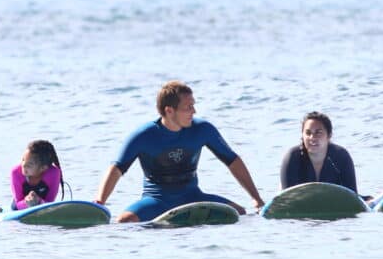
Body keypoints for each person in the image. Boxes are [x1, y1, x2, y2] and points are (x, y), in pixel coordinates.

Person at [94, 80, 265, 223]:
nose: (194, 111)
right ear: (169, 111)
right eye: (188, 107)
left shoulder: (202, 130)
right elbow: (116, 169)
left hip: (193, 197)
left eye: (193, 105)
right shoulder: (143, 136)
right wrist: (100, 202)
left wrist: (256, 199)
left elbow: (232, 161)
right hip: (157, 201)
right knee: (124, 222)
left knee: (239, 214)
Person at [279, 111, 358, 194]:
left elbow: (352, 194)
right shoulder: (292, 157)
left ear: (329, 135)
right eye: (308, 133)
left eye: (318, 132)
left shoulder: (341, 156)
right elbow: (286, 199)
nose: (312, 137)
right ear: (302, 135)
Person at [10, 139, 64, 210]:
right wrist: (27, 203)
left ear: (43, 168)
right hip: (20, 205)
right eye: (23, 160)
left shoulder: (54, 173)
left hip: (43, 204)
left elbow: (50, 202)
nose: (23, 165)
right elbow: (17, 203)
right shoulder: (16, 172)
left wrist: (39, 202)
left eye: (29, 164)